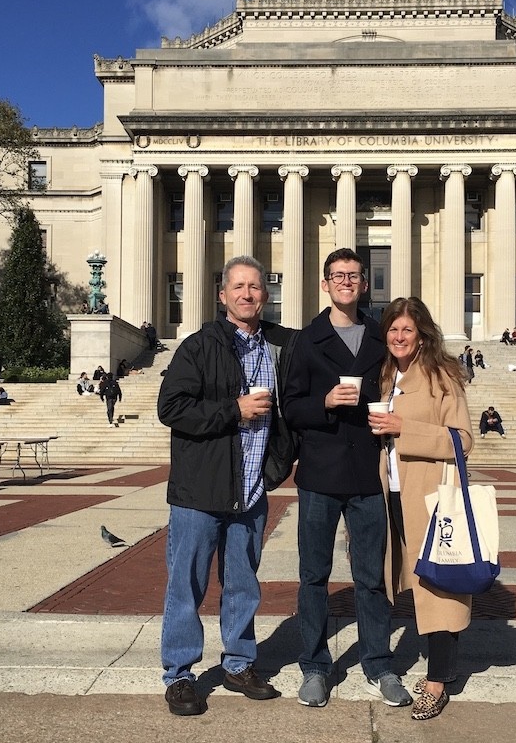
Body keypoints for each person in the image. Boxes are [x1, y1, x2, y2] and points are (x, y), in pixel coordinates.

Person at [157, 255, 296, 717]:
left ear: (266, 294)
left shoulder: (276, 348)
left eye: (255, 287)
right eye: (238, 287)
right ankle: (179, 674)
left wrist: (275, 467)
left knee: (242, 585)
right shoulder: (198, 347)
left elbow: (287, 415)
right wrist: (233, 410)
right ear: (223, 296)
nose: (247, 294)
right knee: (187, 586)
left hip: (251, 492)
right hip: (200, 492)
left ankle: (238, 664)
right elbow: (171, 408)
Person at [284, 248, 411, 710]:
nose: (345, 282)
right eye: (337, 276)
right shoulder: (305, 339)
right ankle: (315, 665)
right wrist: (324, 402)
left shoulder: (382, 337)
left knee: (371, 577)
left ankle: (379, 662)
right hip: (319, 472)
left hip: (367, 474)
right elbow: (290, 407)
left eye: (354, 276)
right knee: (313, 575)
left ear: (363, 284)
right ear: (325, 284)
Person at [368, 297, 473, 721]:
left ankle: (438, 680)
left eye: (407, 330)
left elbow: (463, 440)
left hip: (430, 496)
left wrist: (403, 429)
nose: (398, 337)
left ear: (422, 333)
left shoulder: (441, 375)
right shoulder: (388, 374)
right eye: (393, 329)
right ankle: (444, 656)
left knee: (437, 585)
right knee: (412, 580)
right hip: (394, 492)